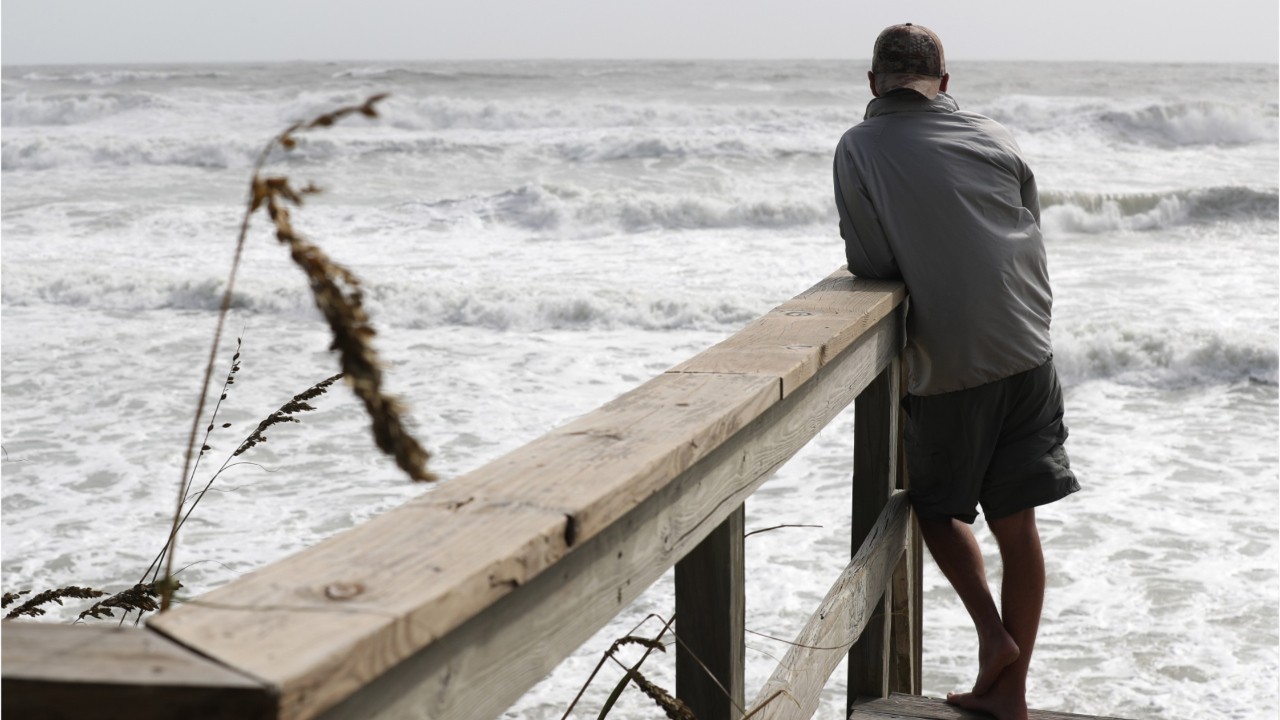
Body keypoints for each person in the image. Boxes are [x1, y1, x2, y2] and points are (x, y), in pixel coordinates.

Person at [832, 23, 1080, 720]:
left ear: (873, 81)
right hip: (1031, 344)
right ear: (944, 82)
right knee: (1017, 521)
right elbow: (1026, 222)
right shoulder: (995, 136)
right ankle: (1012, 696)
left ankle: (994, 638)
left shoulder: (859, 145)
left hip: (957, 356)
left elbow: (872, 261)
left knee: (934, 508)